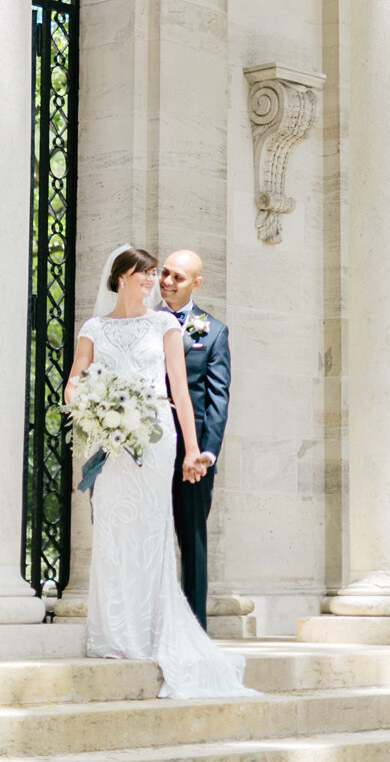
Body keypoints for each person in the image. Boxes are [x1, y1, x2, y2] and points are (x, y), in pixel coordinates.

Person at [65, 246, 253, 699]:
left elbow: (187, 396)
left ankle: (163, 631)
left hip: (157, 438)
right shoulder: (93, 328)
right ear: (121, 278)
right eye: (147, 274)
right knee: (113, 531)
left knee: (157, 533)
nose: (156, 281)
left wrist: (195, 449)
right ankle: (115, 632)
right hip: (113, 444)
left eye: (161, 274)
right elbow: (76, 379)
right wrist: (90, 403)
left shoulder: (167, 325)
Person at [158, 249, 230, 631]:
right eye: (164, 273)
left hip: (193, 455)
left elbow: (218, 396)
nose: (167, 282)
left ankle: (194, 626)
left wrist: (206, 451)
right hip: (149, 446)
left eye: (178, 277)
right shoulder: (143, 321)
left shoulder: (213, 331)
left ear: (196, 284)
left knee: (192, 535)